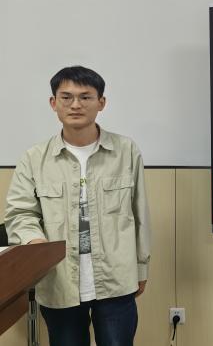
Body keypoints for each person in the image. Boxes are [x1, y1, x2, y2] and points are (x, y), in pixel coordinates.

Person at [4, 66, 151, 346]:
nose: (75, 105)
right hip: (59, 282)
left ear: (101, 102)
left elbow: (139, 213)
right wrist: (37, 244)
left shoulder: (126, 151)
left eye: (85, 97)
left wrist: (141, 268)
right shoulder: (34, 158)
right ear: (53, 103)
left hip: (116, 280)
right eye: (66, 97)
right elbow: (20, 213)